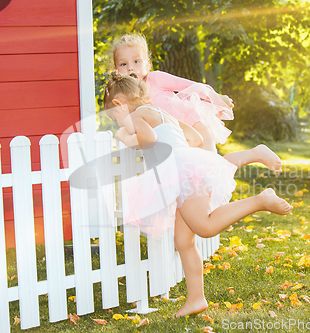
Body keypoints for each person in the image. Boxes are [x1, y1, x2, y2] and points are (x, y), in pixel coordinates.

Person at [104, 71, 293, 317]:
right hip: (185, 167)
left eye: (114, 116)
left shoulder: (136, 115)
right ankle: (196, 299)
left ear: (119, 104)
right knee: (183, 241)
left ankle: (260, 200)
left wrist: (126, 137)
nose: (117, 122)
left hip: (180, 174)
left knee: (204, 227)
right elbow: (194, 137)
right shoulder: (164, 115)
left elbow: (148, 139)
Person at [110, 33, 283, 172]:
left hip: (194, 128)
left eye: (136, 61)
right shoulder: (129, 99)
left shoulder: (154, 79)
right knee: (195, 180)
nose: (131, 68)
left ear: (147, 64)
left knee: (212, 170)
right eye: (123, 64)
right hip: (178, 140)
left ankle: (256, 154)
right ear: (116, 70)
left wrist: (216, 98)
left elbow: (191, 86)